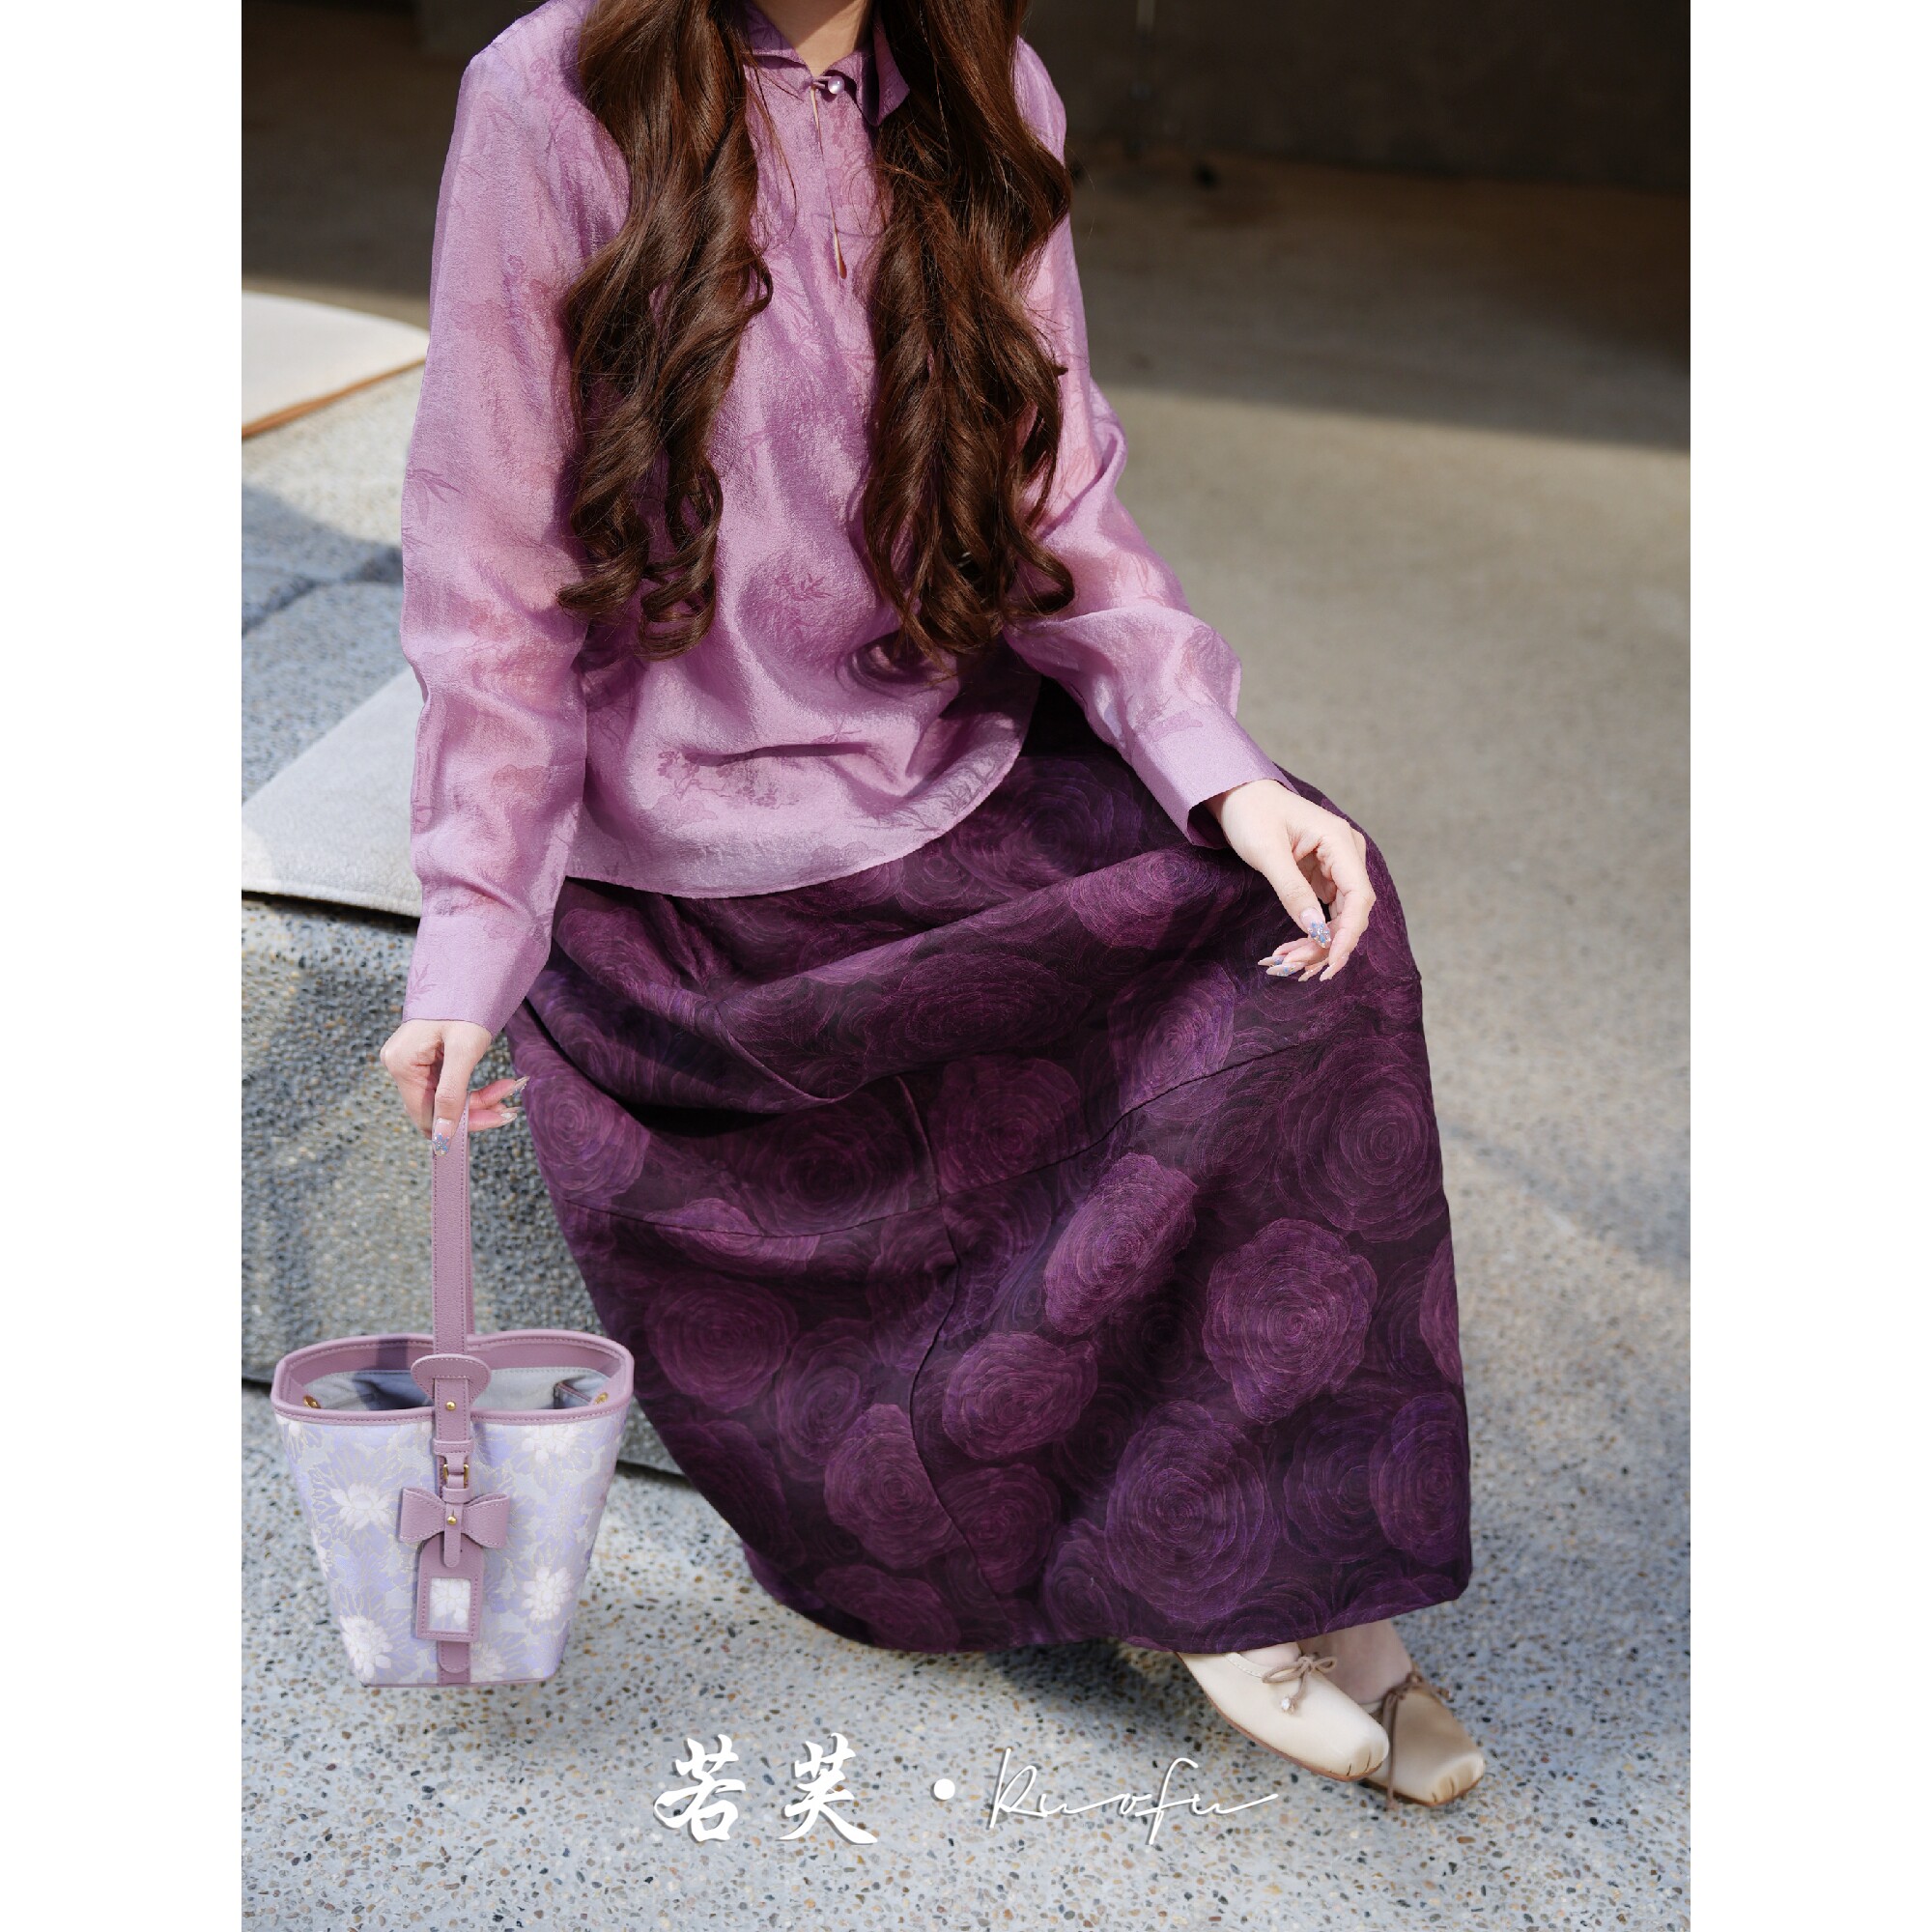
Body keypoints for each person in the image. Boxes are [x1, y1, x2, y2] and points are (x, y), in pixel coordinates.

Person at [379, 0, 1482, 1806]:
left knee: (1309, 925)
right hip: (692, 865)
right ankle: (1224, 1577)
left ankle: (1306, 1572)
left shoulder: (984, 87)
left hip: (936, 749)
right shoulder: (552, 92)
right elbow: (486, 561)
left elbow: (1063, 499)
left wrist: (1227, 772)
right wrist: (472, 929)